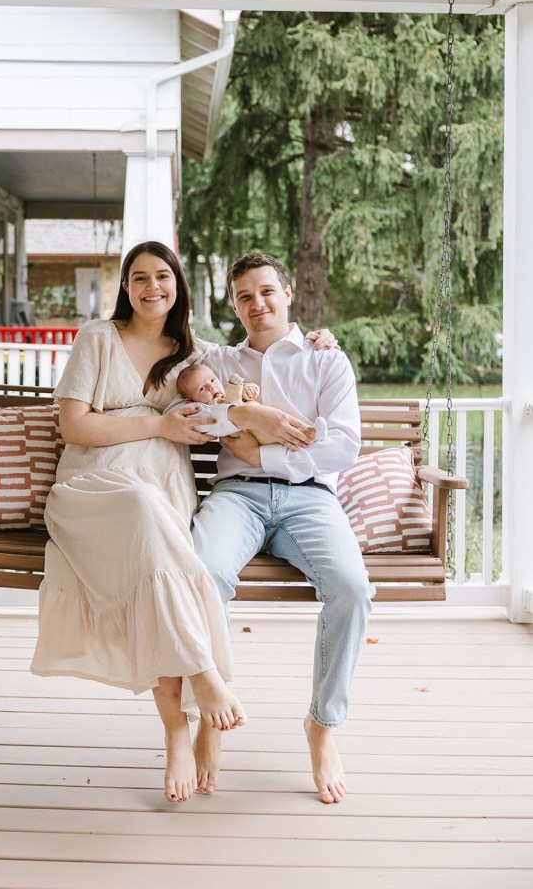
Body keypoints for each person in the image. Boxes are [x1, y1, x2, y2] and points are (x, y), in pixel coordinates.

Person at [30, 241, 318, 804]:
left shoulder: (191, 351)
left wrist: (315, 338)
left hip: (162, 497)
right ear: (126, 288)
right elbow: (74, 427)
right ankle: (203, 676)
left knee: (163, 568)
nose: (151, 287)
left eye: (162, 276)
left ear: (178, 285)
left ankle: (177, 734)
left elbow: (250, 360)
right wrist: (159, 428)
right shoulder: (97, 339)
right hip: (95, 491)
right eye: (139, 278)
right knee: (145, 517)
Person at [191, 251, 373, 804]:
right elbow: (200, 416)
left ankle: (322, 724)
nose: (257, 304)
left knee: (352, 589)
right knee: (201, 571)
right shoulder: (219, 361)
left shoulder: (325, 360)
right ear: (234, 305)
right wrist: (252, 418)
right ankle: (208, 710)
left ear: (288, 292)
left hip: (310, 501)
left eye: (266, 291)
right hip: (236, 496)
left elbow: (341, 444)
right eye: (244, 296)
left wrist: (259, 451)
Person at [171, 362, 328, 445]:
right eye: (202, 388)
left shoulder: (224, 392)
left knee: (286, 423)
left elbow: (243, 395)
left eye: (212, 380)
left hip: (264, 423)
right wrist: (235, 388)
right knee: (287, 433)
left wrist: (251, 389)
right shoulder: (209, 408)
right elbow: (232, 407)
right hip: (257, 433)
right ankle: (310, 436)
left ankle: (311, 431)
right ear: (191, 400)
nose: (212, 387)